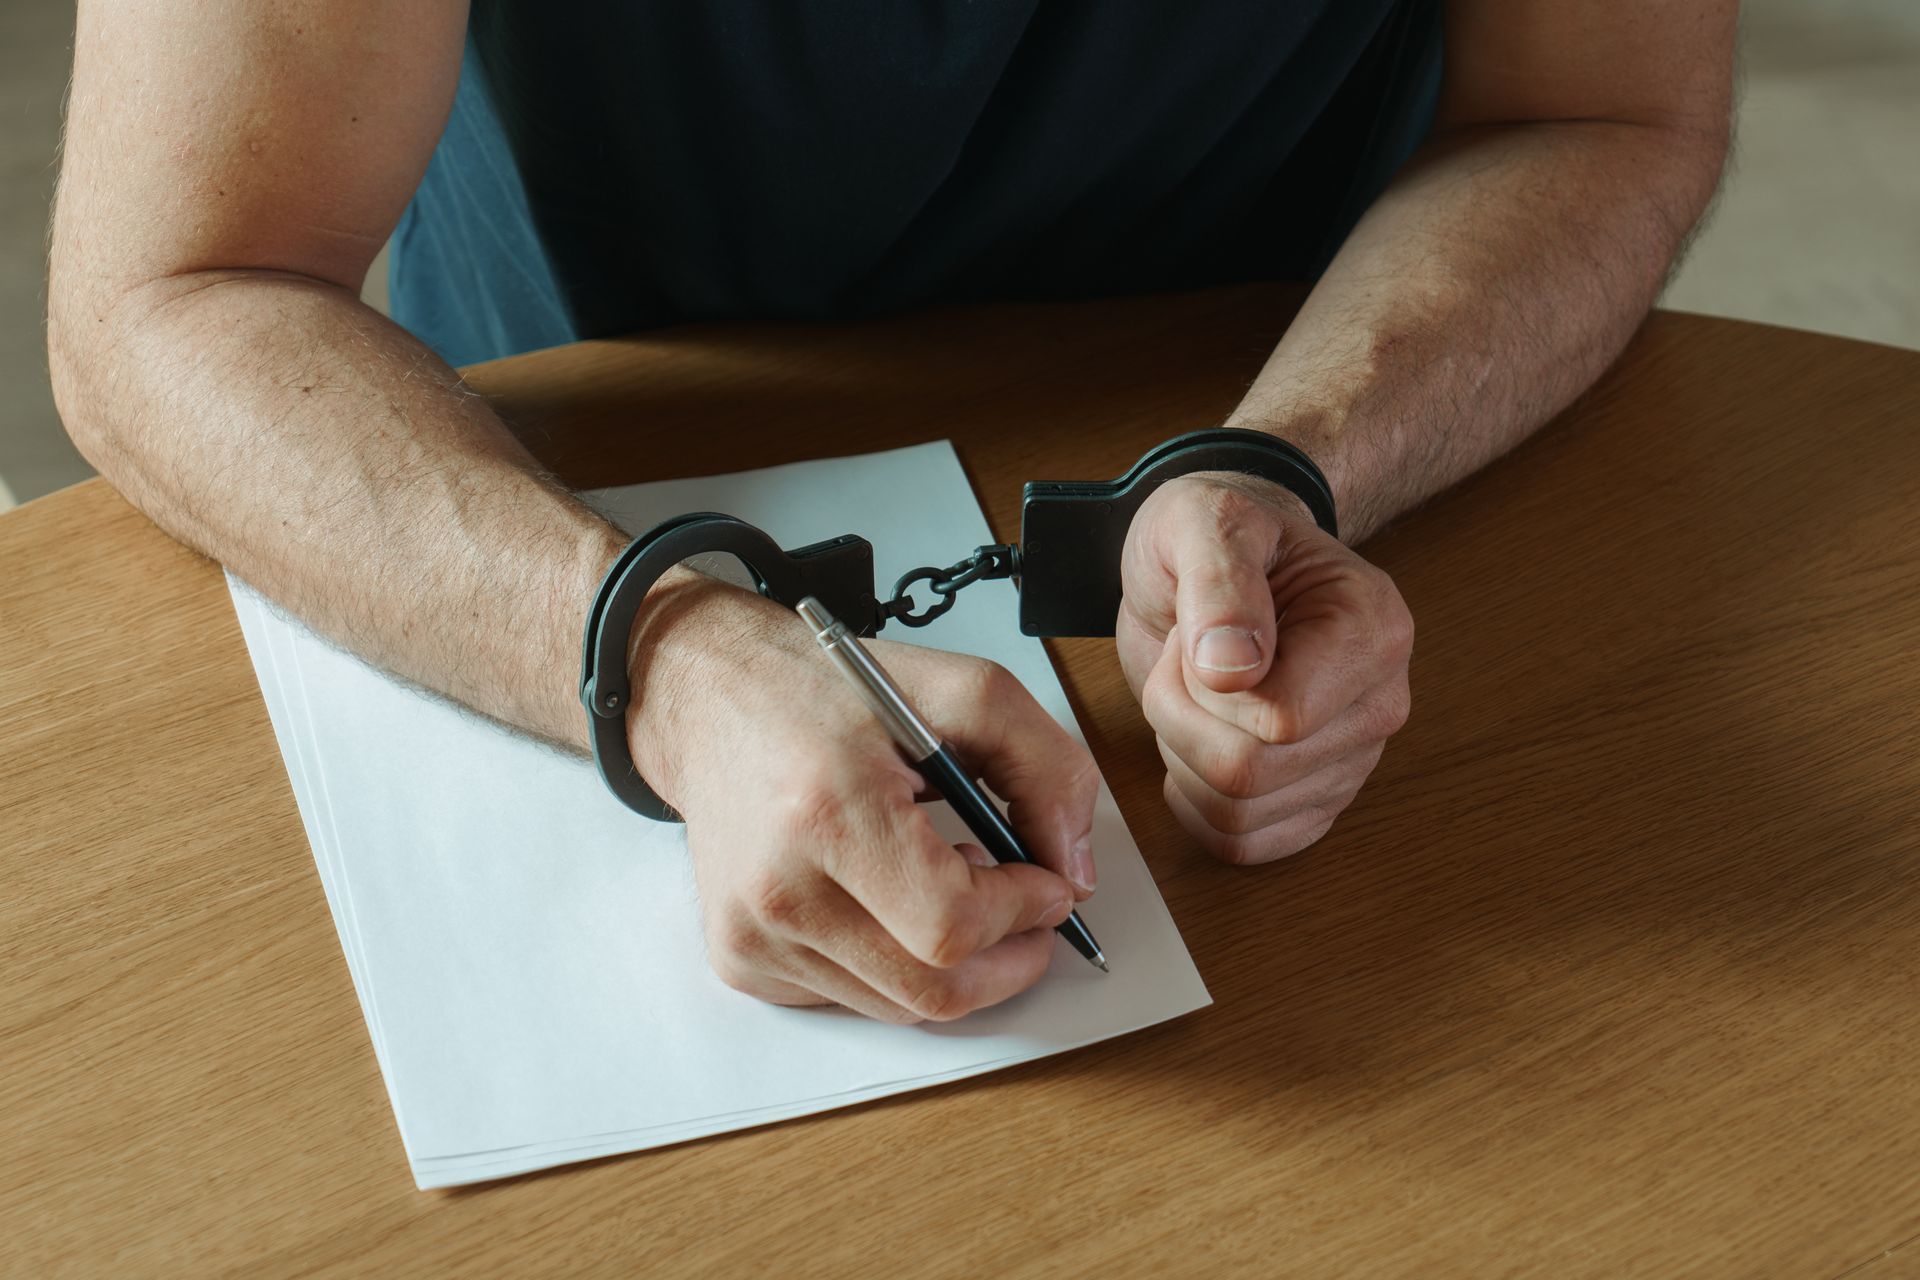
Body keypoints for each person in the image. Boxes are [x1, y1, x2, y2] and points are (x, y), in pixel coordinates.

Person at [47, 1, 1735, 1024]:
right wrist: (663, 654)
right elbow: (177, 290)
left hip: (1318, 415)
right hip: (529, 498)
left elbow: (1595, 107)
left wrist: (1298, 456)